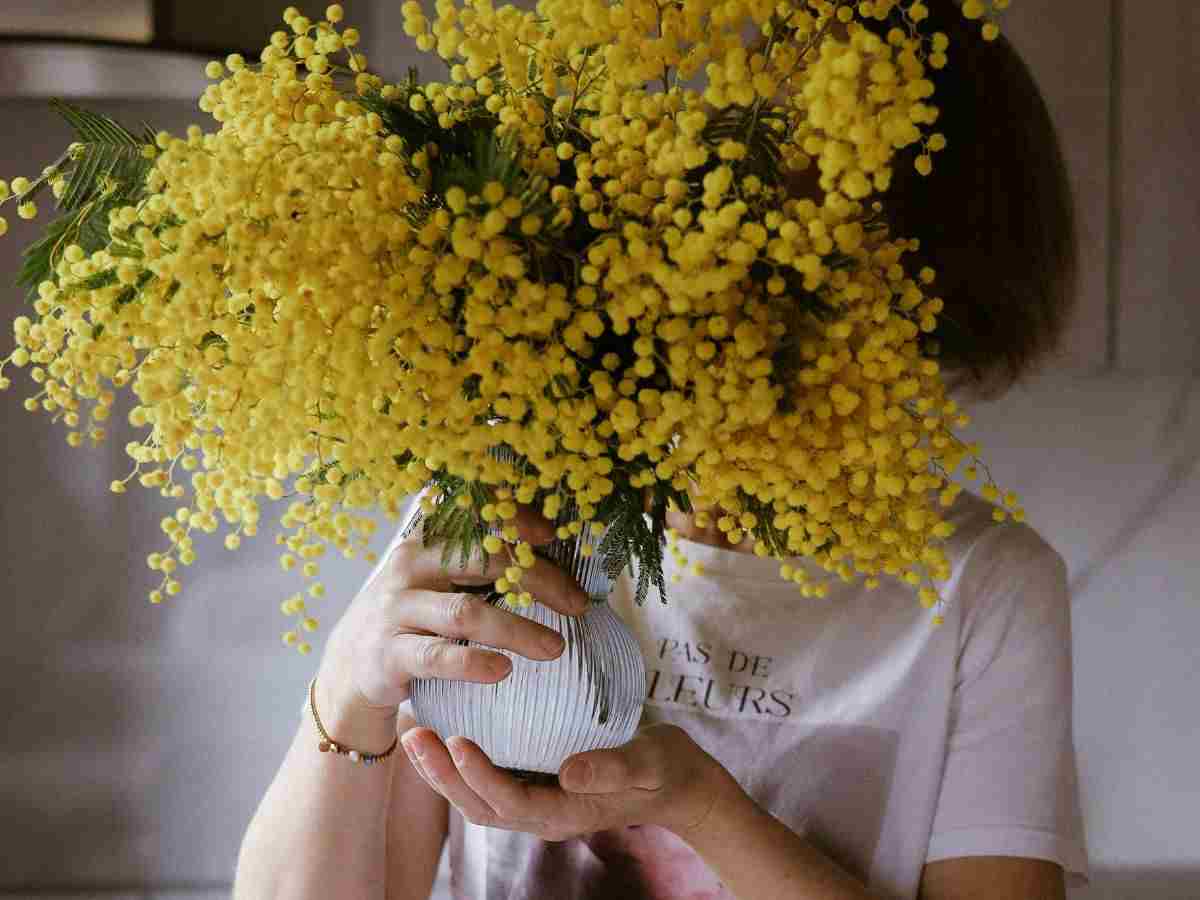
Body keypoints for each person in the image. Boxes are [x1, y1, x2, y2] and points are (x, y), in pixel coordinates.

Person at [233, 3, 1088, 898]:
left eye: (836, 300)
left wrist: (700, 806)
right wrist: (348, 692)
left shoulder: (984, 589)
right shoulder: (513, 509)